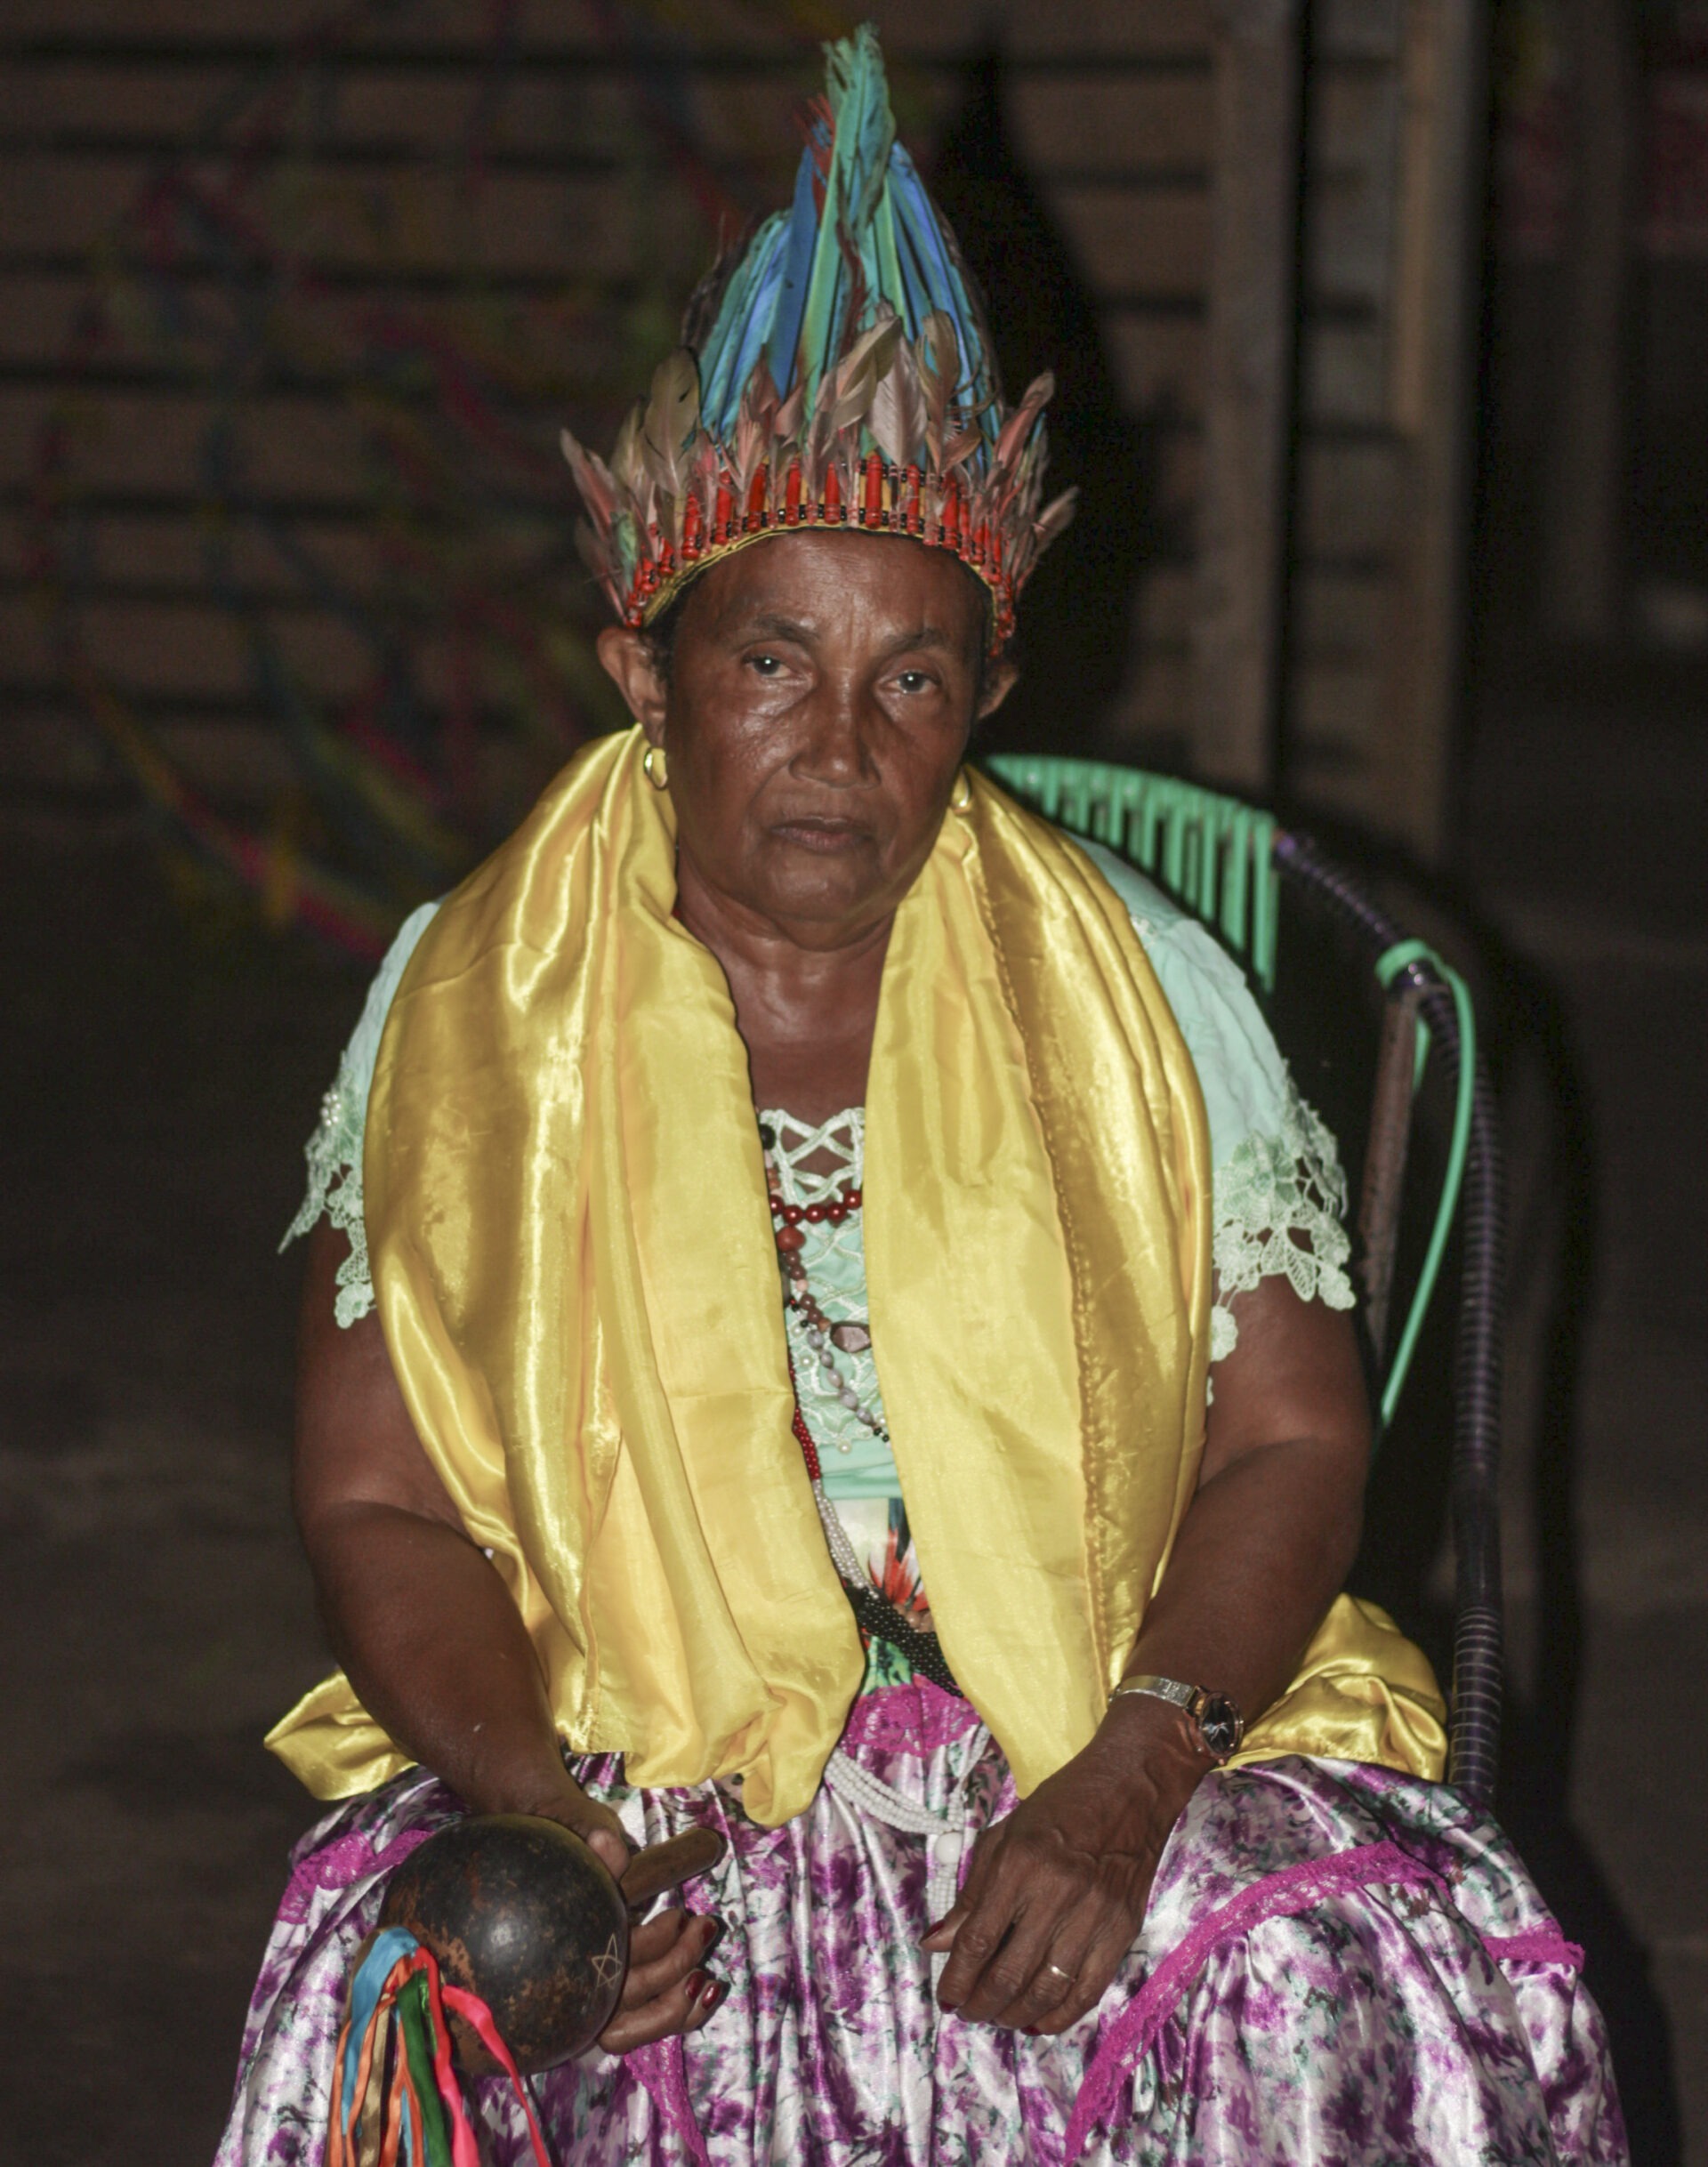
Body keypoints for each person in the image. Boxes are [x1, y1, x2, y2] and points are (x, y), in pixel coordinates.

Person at [218, 32, 1624, 2165]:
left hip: (1089, 1709)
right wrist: (540, 1820)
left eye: (913, 678)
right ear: (646, 668)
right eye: (770, 659)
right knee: (424, 1988)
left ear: (986, 694)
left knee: (1330, 1962)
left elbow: (1293, 1438)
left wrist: (1130, 1785)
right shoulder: (470, 1007)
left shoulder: (1142, 985)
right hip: (619, 1727)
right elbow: (380, 1500)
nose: (839, 746)